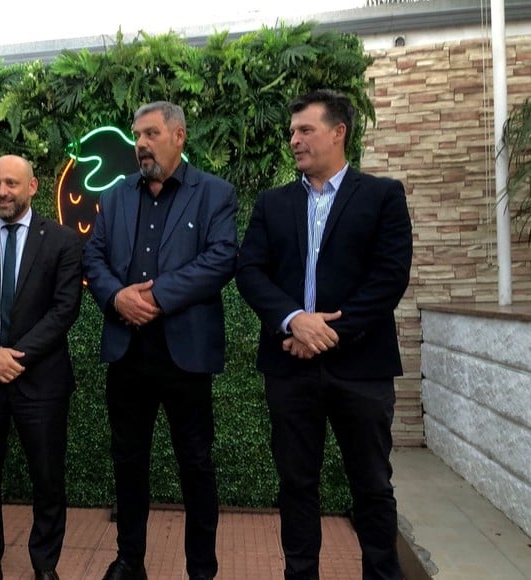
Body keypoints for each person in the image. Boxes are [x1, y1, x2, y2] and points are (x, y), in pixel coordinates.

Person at [235, 89, 412, 580]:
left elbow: (389, 277)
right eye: (292, 132)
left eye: (305, 130)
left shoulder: (382, 195)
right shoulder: (273, 204)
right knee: (296, 484)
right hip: (289, 367)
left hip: (362, 367)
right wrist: (294, 320)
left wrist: (327, 332)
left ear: (339, 132)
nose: (294, 140)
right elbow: (249, 270)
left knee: (372, 485)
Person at [83, 101, 239, 580]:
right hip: (127, 353)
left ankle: (201, 570)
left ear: (179, 137)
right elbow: (94, 257)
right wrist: (116, 298)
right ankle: (130, 561)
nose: (141, 144)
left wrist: (155, 297)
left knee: (196, 464)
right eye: (137, 135)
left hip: (185, 356)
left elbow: (221, 259)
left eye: (151, 133)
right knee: (128, 463)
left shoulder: (214, 193)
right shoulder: (115, 197)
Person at [0, 154, 83, 580]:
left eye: (11, 183)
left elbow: (64, 310)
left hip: (41, 380)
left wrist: (14, 356)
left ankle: (45, 566)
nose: (2, 192)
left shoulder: (62, 241)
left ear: (33, 187)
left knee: (48, 478)